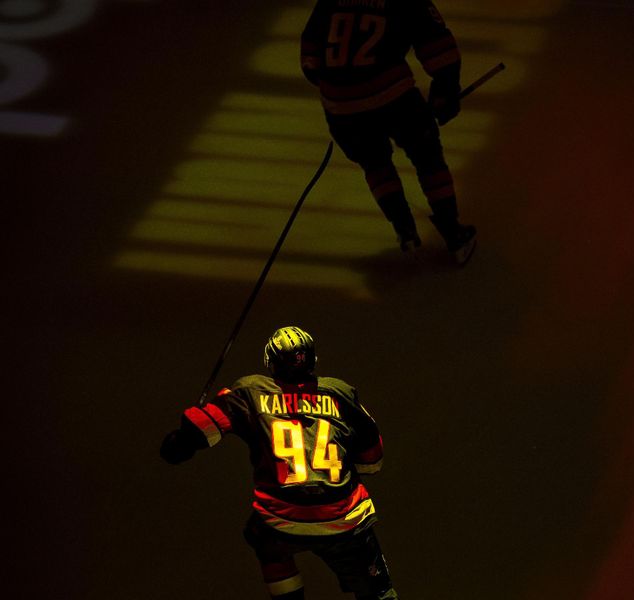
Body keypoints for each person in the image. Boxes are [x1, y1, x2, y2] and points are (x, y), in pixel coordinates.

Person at [160, 326, 398, 600]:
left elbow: (202, 430)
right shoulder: (340, 393)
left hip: (280, 520)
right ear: (313, 359)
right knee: (379, 592)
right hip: (343, 520)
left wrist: (182, 437)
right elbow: (372, 462)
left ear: (270, 362)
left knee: (263, 540)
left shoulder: (250, 391)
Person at [301, 0, 477, 264]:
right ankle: (452, 229)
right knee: (427, 155)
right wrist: (446, 89)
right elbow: (436, 44)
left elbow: (310, 56)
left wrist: (340, 87)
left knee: (374, 162)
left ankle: (403, 226)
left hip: (339, 105)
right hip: (392, 94)